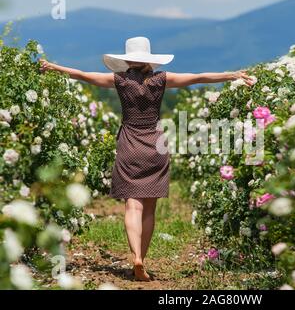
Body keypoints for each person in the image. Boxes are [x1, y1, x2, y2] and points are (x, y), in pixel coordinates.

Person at [40, 36, 254, 282]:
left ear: (128, 59)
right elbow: (198, 77)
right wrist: (231, 75)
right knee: (149, 208)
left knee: (133, 204)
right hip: (155, 145)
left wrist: (56, 68)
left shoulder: (118, 81)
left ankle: (136, 257)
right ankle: (143, 256)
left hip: (130, 144)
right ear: (149, 59)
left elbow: (83, 75)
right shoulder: (162, 79)